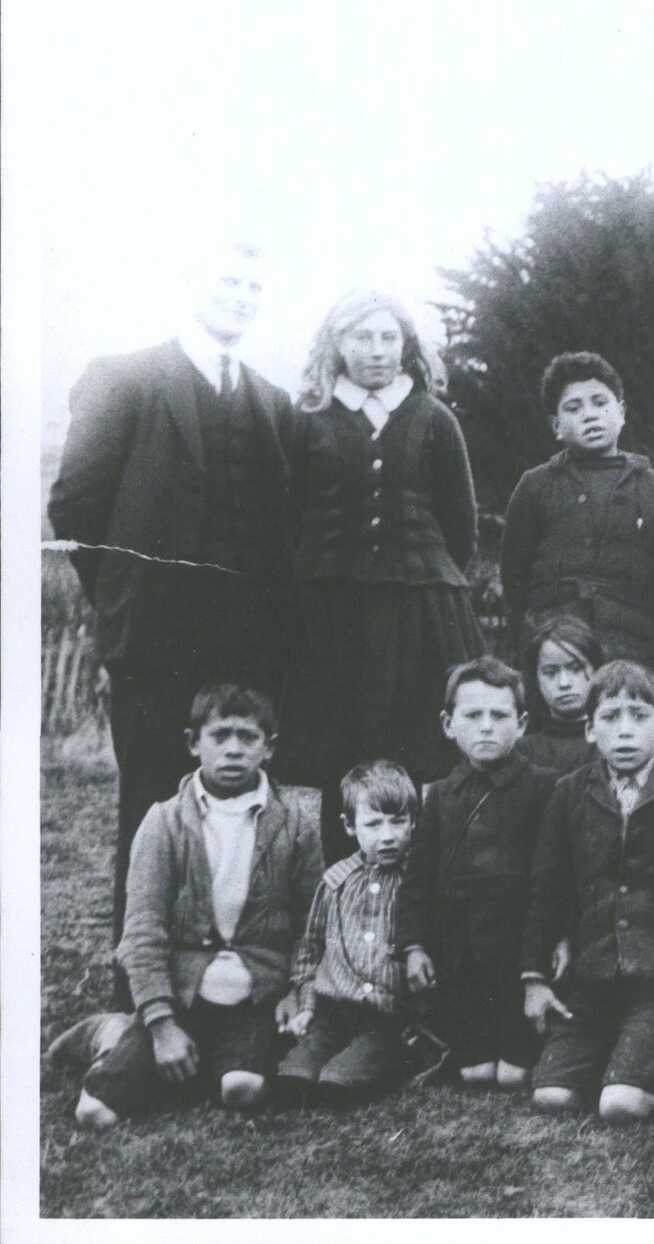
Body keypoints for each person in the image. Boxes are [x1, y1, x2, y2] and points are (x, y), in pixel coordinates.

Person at [47, 240, 297, 1006]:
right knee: (154, 808)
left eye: (256, 284)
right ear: (191, 282)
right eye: (228, 278)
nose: (242, 295)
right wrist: (128, 600)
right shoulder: (124, 377)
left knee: (238, 811)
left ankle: (231, 979)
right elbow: (77, 510)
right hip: (153, 644)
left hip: (245, 652)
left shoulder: (272, 402)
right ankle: (140, 989)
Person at [282, 289, 483, 861]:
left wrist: (417, 578)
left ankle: (412, 897)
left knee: (417, 752)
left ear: (406, 345)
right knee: (340, 759)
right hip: (332, 618)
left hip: (419, 615)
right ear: (337, 345)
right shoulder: (309, 421)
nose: (376, 351)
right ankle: (342, 896)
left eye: (388, 337)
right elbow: (289, 520)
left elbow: (460, 529)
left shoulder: (433, 418)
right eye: (361, 338)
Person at [61, 685, 320, 1128]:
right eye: (220, 736)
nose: (234, 750)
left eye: (248, 737)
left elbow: (313, 924)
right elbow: (141, 930)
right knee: (94, 1114)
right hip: (180, 1000)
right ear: (193, 743)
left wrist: (300, 990)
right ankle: (114, 1034)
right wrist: (162, 1027)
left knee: (243, 1089)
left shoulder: (295, 825)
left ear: (269, 748)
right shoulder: (164, 822)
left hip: (255, 1002)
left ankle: (212, 1058)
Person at [519, 661, 654, 1123]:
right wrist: (534, 976)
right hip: (593, 977)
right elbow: (548, 886)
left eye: (638, 716)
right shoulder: (569, 792)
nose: (624, 731)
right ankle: (623, 1053)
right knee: (552, 1096)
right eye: (610, 717)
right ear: (590, 730)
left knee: (621, 1104)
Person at [399, 658, 560, 1089]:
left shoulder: (544, 787)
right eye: (473, 715)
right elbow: (418, 877)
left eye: (499, 715)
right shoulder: (441, 794)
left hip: (519, 960)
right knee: (474, 1075)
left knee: (510, 1077)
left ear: (522, 723)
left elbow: (552, 881)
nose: (486, 727)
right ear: (449, 724)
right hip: (462, 960)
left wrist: (540, 960)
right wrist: (413, 945)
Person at [501, 352, 654, 668]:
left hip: (631, 653)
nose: (590, 415)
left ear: (622, 411)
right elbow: (514, 580)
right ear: (556, 425)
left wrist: (653, 654)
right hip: (554, 650)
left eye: (600, 403)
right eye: (573, 408)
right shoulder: (535, 486)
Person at [276, 761, 425, 1104]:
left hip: (387, 1018)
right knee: (294, 1074)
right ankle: (309, 1069)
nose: (387, 835)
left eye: (398, 821)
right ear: (349, 825)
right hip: (332, 1010)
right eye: (373, 824)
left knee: (339, 1081)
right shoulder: (335, 882)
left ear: (413, 822)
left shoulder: (417, 882)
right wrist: (308, 1006)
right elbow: (311, 951)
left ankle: (378, 1063)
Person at [516, 615, 605, 775]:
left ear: (596, 670)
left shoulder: (614, 744)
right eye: (551, 672)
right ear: (536, 679)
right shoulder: (522, 752)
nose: (564, 683)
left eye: (576, 668)